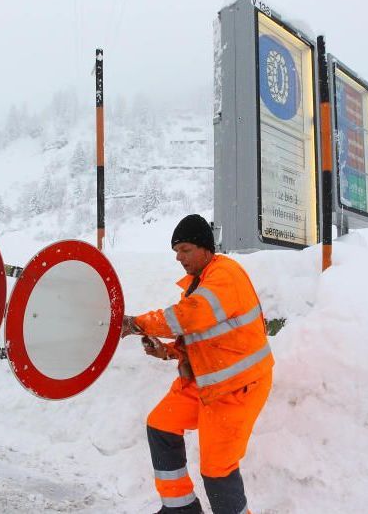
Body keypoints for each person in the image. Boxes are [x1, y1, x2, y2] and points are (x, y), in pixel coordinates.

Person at [121, 214, 273, 514]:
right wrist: (168, 352)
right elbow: (202, 337)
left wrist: (138, 324)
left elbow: (189, 316)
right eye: (176, 251)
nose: (179, 257)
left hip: (235, 388)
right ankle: (180, 508)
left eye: (185, 249)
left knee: (218, 470)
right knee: (161, 425)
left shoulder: (225, 276)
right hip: (205, 381)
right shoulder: (199, 281)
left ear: (205, 248)